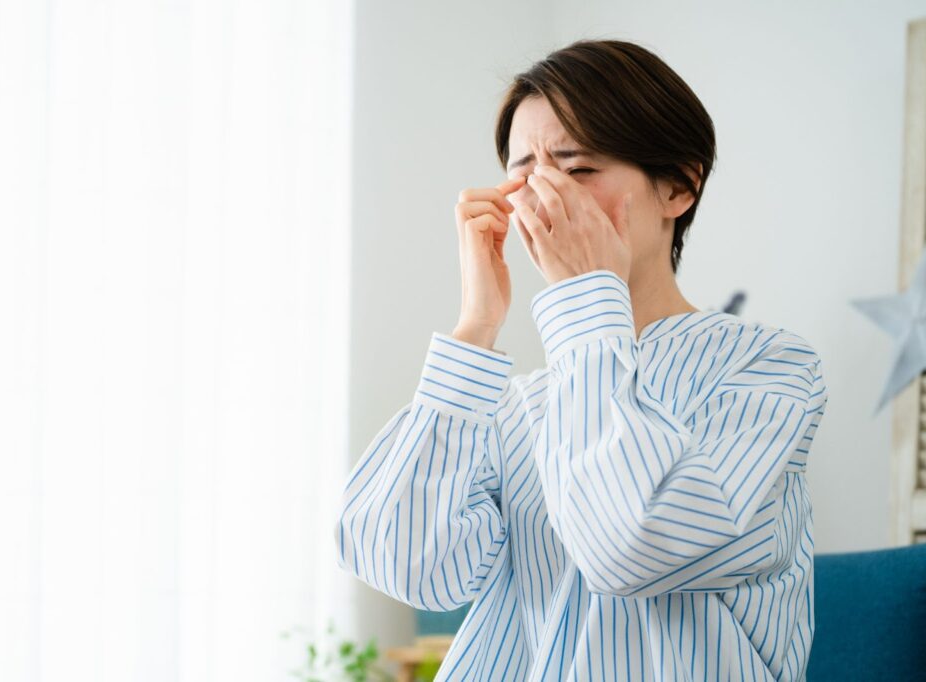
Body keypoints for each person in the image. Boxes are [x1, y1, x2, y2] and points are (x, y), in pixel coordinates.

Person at [333, 38, 829, 681]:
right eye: (525, 173)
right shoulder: (520, 401)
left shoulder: (771, 369)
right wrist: (475, 330)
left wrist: (587, 306)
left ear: (679, 185)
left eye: (577, 168)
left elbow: (632, 546)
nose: (545, 198)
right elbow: (406, 565)